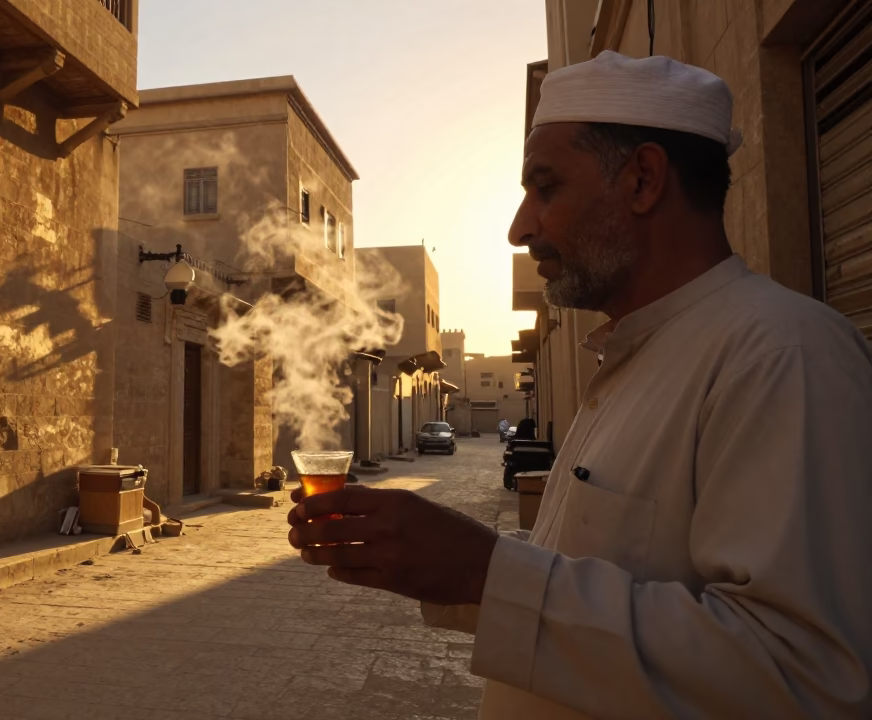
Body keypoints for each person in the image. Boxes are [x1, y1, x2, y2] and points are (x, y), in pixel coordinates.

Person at [288, 51, 872, 719]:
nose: (519, 227)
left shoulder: (780, 356)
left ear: (643, 180)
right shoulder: (634, 358)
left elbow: (803, 677)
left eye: (546, 187)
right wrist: (443, 565)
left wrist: (485, 570)